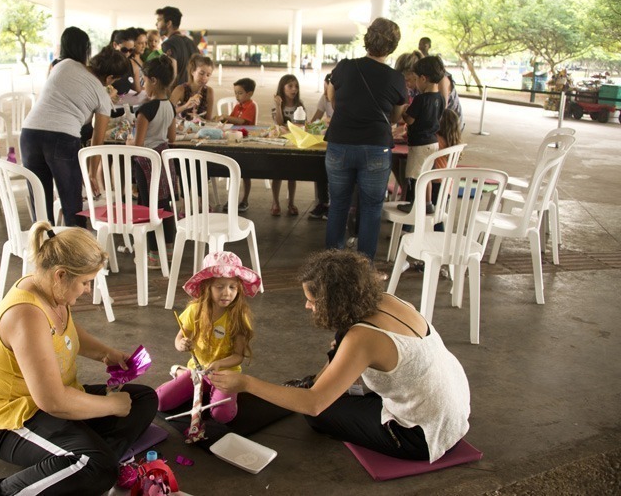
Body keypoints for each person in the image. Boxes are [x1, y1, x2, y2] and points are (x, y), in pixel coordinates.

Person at [209, 249, 471, 463]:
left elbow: (313, 404)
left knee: (317, 414)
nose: (307, 305)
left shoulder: (361, 338)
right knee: (334, 366)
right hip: (453, 410)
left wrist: (246, 383)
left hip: (422, 435)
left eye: (313, 301)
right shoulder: (389, 300)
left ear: (334, 302)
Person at [0, 222, 158, 496]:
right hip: (14, 420)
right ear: (61, 275)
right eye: (85, 282)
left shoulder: (51, 291)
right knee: (97, 466)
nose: (88, 289)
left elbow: (67, 331)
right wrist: (110, 405)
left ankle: (77, 463)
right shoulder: (26, 316)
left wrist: (105, 353)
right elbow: (53, 401)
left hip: (54, 403)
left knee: (143, 399)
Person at [21, 28, 128, 227]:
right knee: (72, 204)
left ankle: (43, 243)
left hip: (29, 133)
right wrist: (92, 173)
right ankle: (76, 245)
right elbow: (97, 140)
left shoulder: (64, 64)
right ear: (110, 77)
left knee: (40, 203)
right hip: (61, 138)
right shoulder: (101, 94)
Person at [323, 17, 406, 260]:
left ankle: (332, 264)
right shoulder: (395, 78)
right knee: (371, 208)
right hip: (376, 147)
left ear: (367, 39)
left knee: (338, 204)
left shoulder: (345, 67)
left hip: (340, 143)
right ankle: (364, 267)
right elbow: (395, 116)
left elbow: (332, 98)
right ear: (393, 46)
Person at [156, 251, 260, 423]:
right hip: (198, 370)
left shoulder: (239, 316)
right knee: (159, 401)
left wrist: (219, 364)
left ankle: (197, 382)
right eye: (220, 287)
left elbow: (238, 356)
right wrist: (181, 344)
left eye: (232, 287)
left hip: (225, 373)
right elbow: (179, 339)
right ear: (207, 287)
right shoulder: (195, 310)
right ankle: (186, 374)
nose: (227, 293)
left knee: (222, 416)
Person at [125, 55, 178, 269]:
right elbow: (171, 137)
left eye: (144, 80)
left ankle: (154, 255)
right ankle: (169, 251)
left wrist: (129, 142)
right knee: (164, 204)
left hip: (146, 162)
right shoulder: (170, 106)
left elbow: (138, 144)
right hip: (163, 158)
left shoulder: (145, 110)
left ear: (153, 81)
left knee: (147, 207)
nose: (143, 85)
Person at [397, 56, 445, 215]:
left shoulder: (420, 99)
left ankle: (414, 204)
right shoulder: (440, 98)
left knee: (415, 176)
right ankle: (428, 203)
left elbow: (410, 120)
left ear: (423, 79)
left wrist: (403, 111)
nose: (416, 82)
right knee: (426, 174)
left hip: (419, 144)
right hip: (433, 142)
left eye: (416, 79)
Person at [217, 77, 257, 213]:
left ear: (249, 94)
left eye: (240, 93)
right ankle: (232, 198)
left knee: (246, 173)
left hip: (245, 143)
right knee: (233, 171)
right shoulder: (237, 106)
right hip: (234, 141)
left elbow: (241, 121)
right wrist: (222, 120)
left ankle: (245, 200)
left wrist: (226, 116)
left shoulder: (251, 106)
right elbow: (231, 121)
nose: (237, 96)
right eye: (236, 93)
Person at [271, 74, 303, 216]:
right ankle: (275, 202)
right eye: (290, 86)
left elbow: (302, 124)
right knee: (277, 174)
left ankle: (291, 202)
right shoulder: (277, 105)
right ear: (282, 88)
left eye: (296, 86)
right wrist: (278, 105)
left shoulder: (299, 105)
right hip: (280, 143)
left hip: (293, 143)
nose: (294, 89)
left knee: (292, 174)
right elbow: (279, 123)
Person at [308, 73, 335, 221]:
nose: (325, 93)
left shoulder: (344, 99)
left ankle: (334, 206)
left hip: (340, 144)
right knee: (319, 165)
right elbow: (315, 120)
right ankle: (323, 202)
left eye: (328, 89)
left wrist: (328, 121)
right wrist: (309, 125)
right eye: (324, 89)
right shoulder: (324, 98)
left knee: (334, 172)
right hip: (325, 141)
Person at [155, 6, 200, 86]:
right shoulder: (192, 43)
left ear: (168, 23)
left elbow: (172, 76)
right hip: (193, 91)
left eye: (159, 20)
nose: (156, 24)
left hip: (177, 91)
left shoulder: (168, 44)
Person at [170, 54, 215, 120]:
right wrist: (186, 106)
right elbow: (167, 112)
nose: (204, 78)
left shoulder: (209, 91)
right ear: (192, 71)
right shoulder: (180, 90)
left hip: (201, 126)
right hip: (181, 126)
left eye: (208, 75)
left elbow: (208, 119)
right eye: (201, 73)